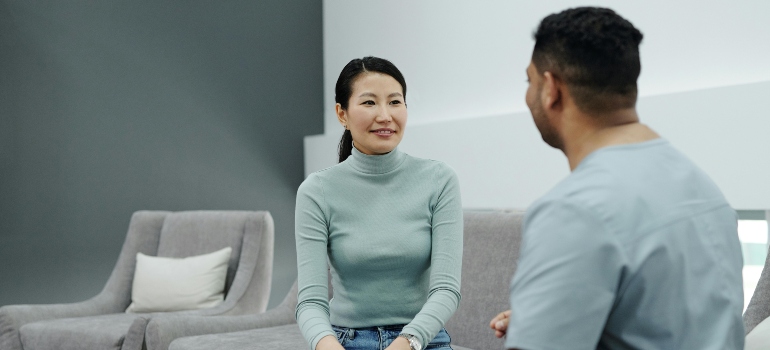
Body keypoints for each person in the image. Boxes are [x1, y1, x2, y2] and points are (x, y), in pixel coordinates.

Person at [489, 7, 744, 349]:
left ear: (551, 88)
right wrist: (546, 315)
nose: (528, 93)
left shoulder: (573, 211)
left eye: (529, 81)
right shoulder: (704, 188)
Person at [295, 56, 463, 350]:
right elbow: (310, 301)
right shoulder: (316, 191)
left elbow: (447, 290)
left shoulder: (439, 180)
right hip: (345, 341)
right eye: (369, 102)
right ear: (342, 114)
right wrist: (327, 345)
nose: (385, 115)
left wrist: (407, 341)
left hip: (420, 340)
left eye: (395, 102)